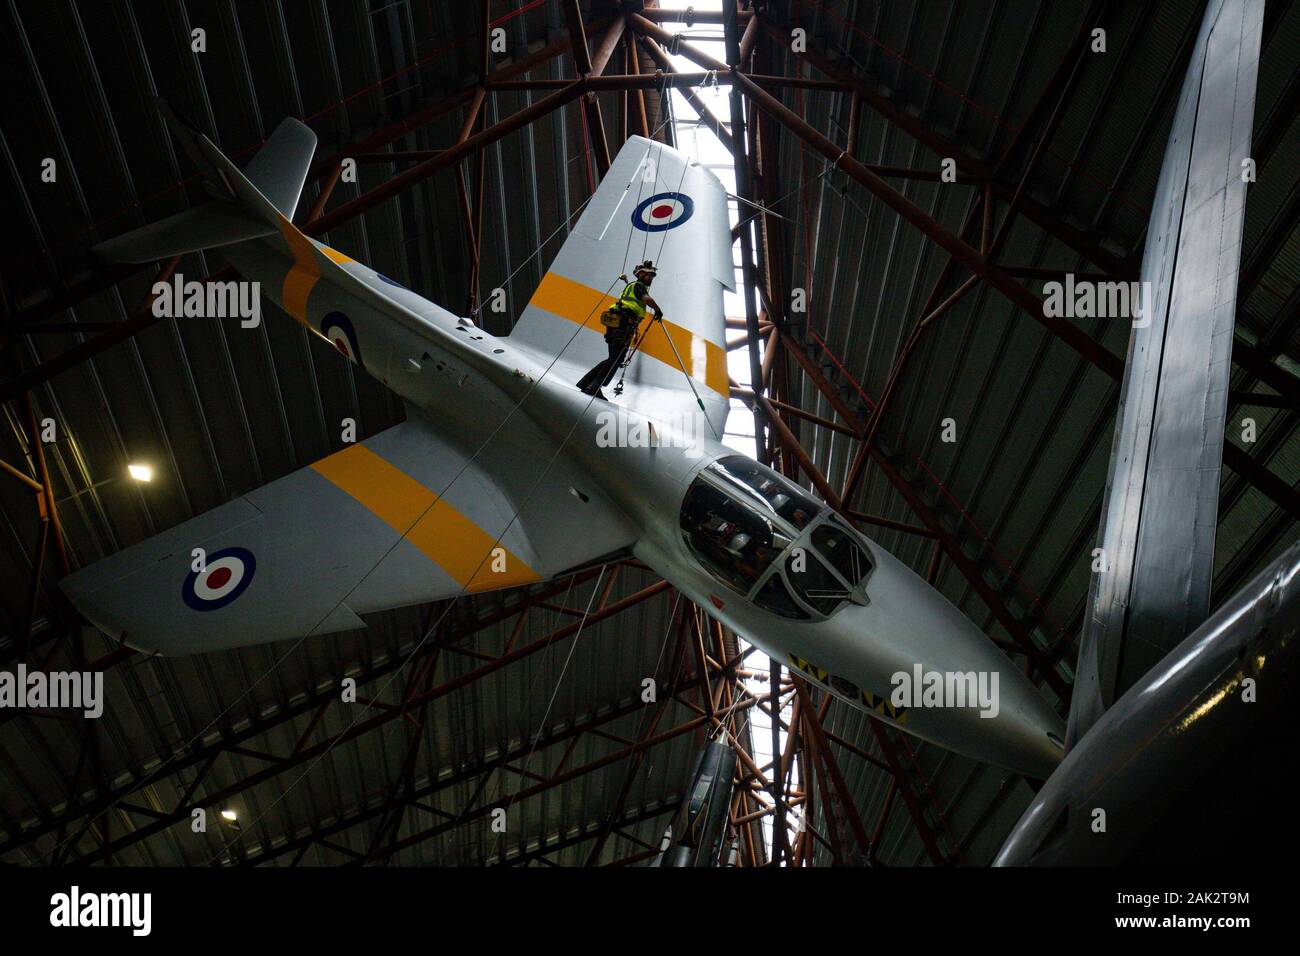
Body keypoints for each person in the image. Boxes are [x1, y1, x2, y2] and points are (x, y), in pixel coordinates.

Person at [576, 260, 664, 398]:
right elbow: (647, 299)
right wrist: (658, 310)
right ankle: (594, 386)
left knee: (614, 358)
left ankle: (587, 383)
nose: (651, 278)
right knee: (616, 358)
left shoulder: (632, 286)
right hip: (623, 324)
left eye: (652, 276)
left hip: (617, 323)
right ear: (640, 275)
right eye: (648, 275)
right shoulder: (639, 286)